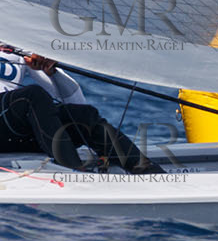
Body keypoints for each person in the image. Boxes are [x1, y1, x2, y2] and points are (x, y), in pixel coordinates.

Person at [0, 48, 165, 174]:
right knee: (32, 95)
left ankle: (151, 174)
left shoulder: (15, 48)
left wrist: (51, 72)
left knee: (84, 116)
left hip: (9, 132)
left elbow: (77, 103)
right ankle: (74, 171)